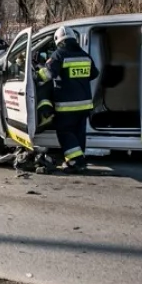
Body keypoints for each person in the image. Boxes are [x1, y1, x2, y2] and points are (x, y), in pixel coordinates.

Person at [47, 25, 99, 173]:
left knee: (65, 132)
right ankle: (78, 160)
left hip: (66, 105)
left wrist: (39, 71)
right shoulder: (84, 55)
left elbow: (48, 74)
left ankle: (75, 161)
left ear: (58, 40)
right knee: (78, 133)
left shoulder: (59, 54)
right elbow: (94, 74)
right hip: (84, 104)